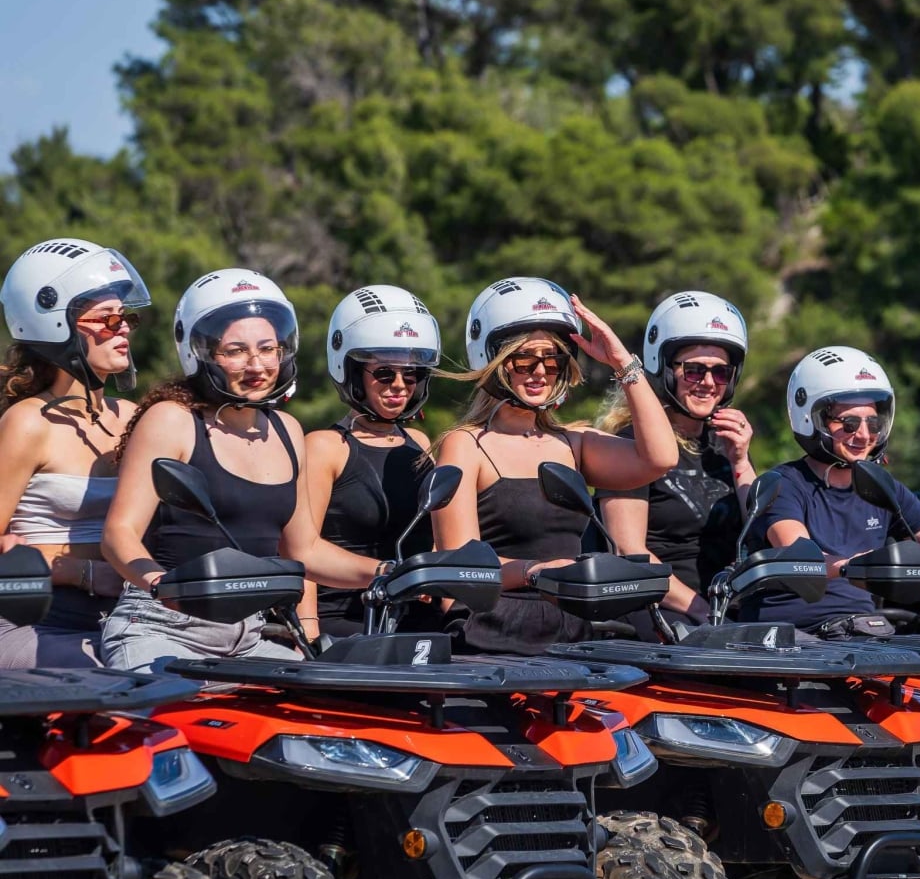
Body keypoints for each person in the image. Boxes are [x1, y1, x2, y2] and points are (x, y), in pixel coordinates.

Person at [100, 269, 388, 671]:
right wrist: (159, 584)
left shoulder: (287, 430)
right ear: (200, 353)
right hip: (162, 630)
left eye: (268, 349)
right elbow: (118, 534)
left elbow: (303, 551)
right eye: (235, 351)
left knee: (326, 714)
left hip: (249, 638)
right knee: (168, 723)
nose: (257, 364)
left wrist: (390, 573)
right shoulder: (173, 421)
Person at [430, 277, 677, 655]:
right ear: (494, 360)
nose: (541, 371)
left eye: (554, 359)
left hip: (573, 622)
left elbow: (660, 457)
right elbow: (460, 567)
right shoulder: (466, 445)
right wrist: (534, 572)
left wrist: (622, 361)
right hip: (497, 625)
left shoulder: (572, 442)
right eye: (524, 359)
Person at [742, 346, 920, 634]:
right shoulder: (783, 483)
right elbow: (799, 555)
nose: (864, 435)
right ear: (812, 419)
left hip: (859, 636)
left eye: (873, 423)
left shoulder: (880, 487)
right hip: (790, 641)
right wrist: (852, 565)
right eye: (849, 423)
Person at [0, 238, 151, 667]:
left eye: (126, 318)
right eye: (106, 320)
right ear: (53, 325)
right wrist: (77, 571)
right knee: (124, 673)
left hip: (125, 616)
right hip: (38, 618)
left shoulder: (134, 416)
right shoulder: (28, 422)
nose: (123, 329)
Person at [596, 291, 755, 622]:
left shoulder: (723, 446)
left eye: (721, 372)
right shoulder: (632, 446)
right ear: (664, 368)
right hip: (661, 609)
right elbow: (629, 553)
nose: (709, 383)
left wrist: (741, 461)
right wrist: (703, 611)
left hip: (728, 610)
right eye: (695, 370)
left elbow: (760, 534)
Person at [301, 285, 439, 639]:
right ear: (352, 370)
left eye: (412, 375)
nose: (399, 385)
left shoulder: (419, 444)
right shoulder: (325, 447)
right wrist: (309, 634)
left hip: (413, 623)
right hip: (346, 626)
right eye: (384, 373)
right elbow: (301, 553)